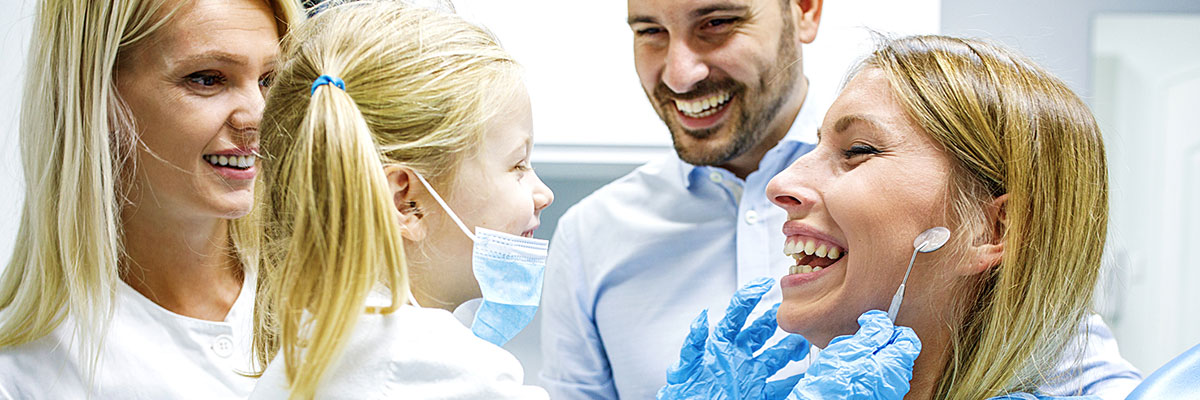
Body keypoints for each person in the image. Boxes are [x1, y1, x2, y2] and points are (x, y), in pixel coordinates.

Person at [538, 0, 1142, 399]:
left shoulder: (1048, 349)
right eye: (649, 31)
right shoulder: (595, 232)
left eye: (856, 152)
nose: (680, 71)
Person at [246, 1, 553, 398]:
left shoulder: (310, 347)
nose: (542, 194)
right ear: (406, 202)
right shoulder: (448, 371)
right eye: (518, 165)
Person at [0, 0, 299, 397]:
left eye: (269, 80)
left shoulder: (348, 307)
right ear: (98, 94)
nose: (259, 117)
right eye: (208, 79)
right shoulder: (25, 371)